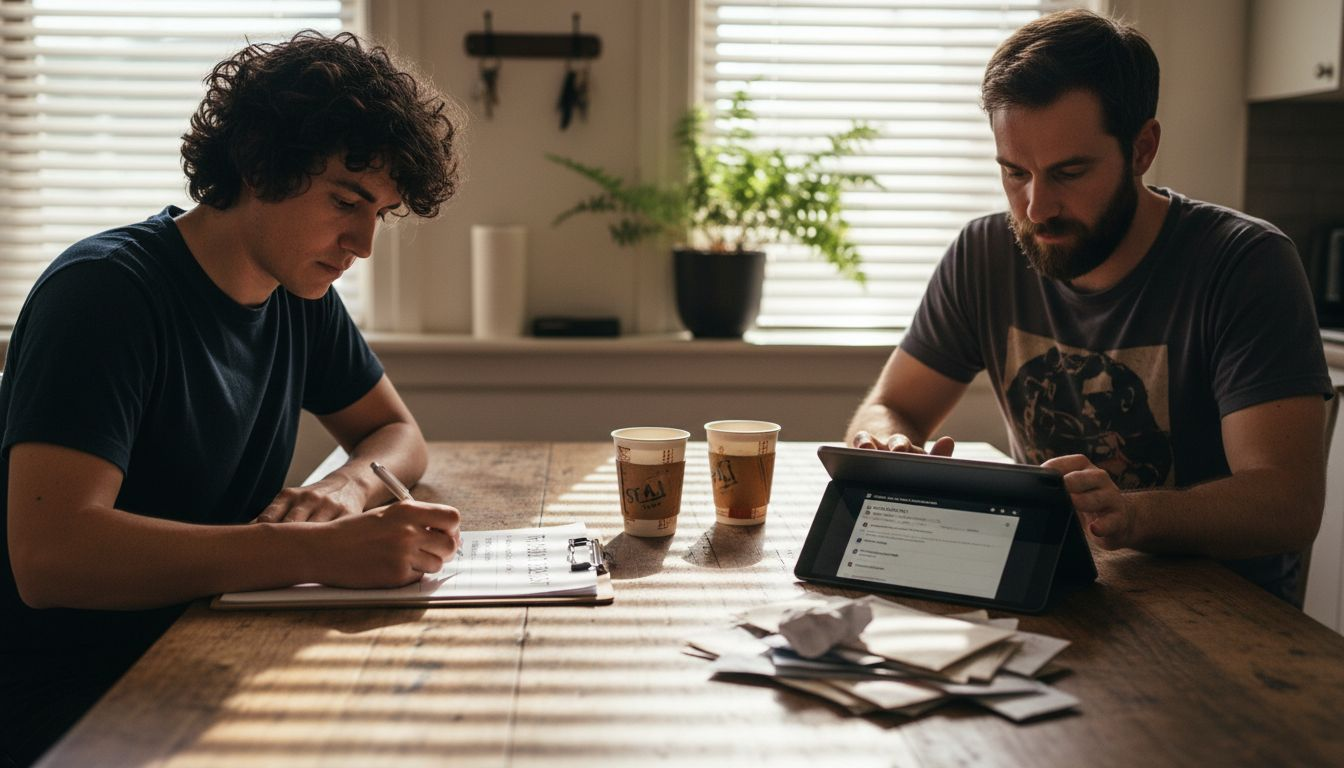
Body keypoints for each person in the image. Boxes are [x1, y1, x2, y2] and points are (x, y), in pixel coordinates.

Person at [0, 31, 464, 766]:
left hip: (212, 652)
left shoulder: (297, 292)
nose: (364, 244)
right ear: (258, 165)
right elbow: (50, 557)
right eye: (347, 201)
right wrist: (305, 553)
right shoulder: (105, 295)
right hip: (78, 707)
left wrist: (344, 491)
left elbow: (395, 432)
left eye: (381, 213)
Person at [846, 9, 1332, 605]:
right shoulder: (985, 253)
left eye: (1069, 172)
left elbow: (1287, 502)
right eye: (1014, 172)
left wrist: (1130, 515)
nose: (1037, 206)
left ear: (1142, 148)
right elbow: (891, 406)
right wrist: (889, 446)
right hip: (1057, 595)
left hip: (1226, 620)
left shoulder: (1244, 264)